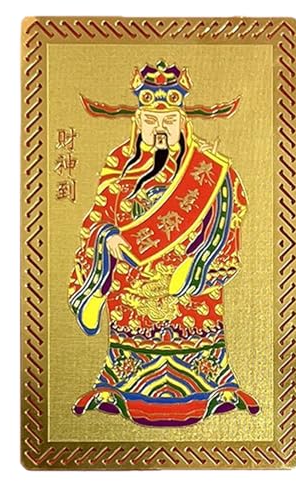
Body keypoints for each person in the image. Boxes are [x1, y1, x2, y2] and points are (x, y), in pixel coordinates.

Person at [69, 60, 259, 427]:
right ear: (138, 122)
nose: (160, 129)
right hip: (132, 277)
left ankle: (209, 387)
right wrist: (107, 238)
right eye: (152, 121)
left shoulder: (205, 165)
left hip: (188, 276)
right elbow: (98, 215)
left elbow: (231, 209)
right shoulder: (119, 162)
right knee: (131, 338)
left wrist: (202, 253)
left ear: (182, 122)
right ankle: (121, 386)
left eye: (168, 121)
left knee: (196, 330)